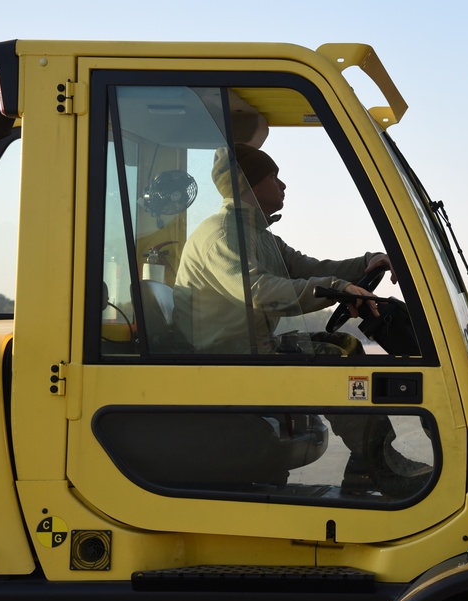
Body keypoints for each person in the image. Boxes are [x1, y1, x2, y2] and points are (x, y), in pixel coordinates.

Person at [174, 143, 429, 497]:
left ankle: (369, 462)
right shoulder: (221, 235)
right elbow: (259, 290)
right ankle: (376, 464)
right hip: (226, 356)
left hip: (252, 351)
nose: (283, 185)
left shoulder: (260, 236)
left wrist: (367, 263)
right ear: (248, 183)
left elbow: (312, 268)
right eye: (273, 177)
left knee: (345, 345)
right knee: (333, 359)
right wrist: (339, 288)